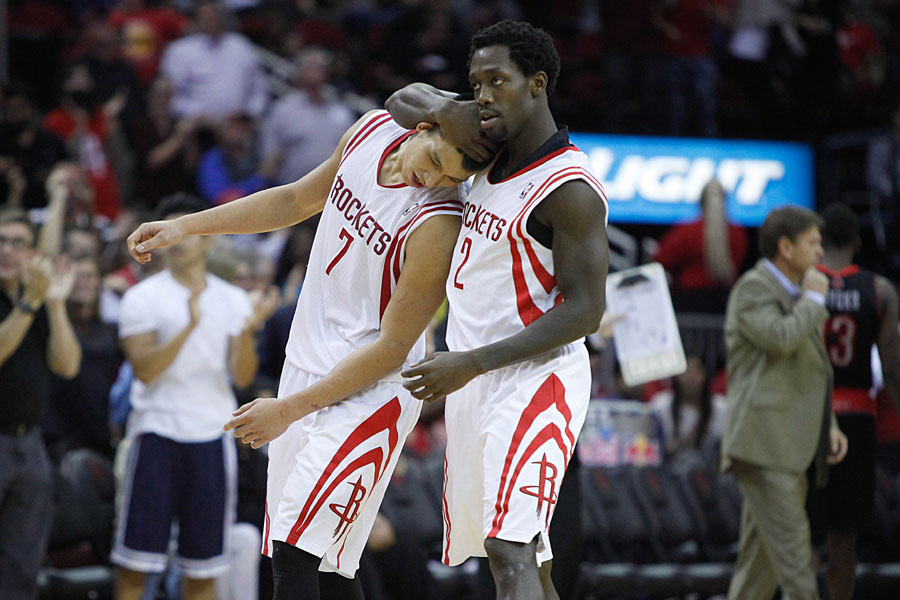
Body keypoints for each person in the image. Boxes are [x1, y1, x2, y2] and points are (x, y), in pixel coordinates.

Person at [125, 110, 489, 599]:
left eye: (454, 177)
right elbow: (295, 198)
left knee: (294, 553)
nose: (438, 179)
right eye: (437, 161)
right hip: (305, 369)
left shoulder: (440, 220)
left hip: (370, 392)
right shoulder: (370, 131)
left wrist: (289, 410)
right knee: (327, 569)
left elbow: (394, 348)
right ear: (424, 129)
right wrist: (188, 227)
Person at [385, 19, 609, 599]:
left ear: (536, 84)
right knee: (522, 559)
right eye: (475, 81)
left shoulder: (569, 186)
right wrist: (452, 106)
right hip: (477, 379)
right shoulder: (485, 150)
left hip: (536, 378)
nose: (484, 93)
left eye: (497, 80)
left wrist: (472, 363)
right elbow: (398, 102)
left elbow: (585, 311)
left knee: (510, 551)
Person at [111, 193, 272, 600]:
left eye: (188, 229)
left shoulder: (233, 300)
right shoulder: (141, 298)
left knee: (203, 570)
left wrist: (250, 330)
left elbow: (242, 376)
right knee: (135, 566)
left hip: (211, 438)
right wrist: (188, 325)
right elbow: (145, 370)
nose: (178, 239)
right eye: (169, 231)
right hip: (154, 434)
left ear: (208, 238)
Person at [720, 205, 848, 600]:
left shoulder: (796, 293)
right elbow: (780, 338)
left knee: (758, 574)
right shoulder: (753, 288)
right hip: (764, 447)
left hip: (786, 447)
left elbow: (807, 373)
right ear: (786, 247)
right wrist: (812, 301)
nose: (821, 253)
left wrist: (828, 424)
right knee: (797, 564)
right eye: (813, 243)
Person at [808, 203, 900, 600]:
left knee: (804, 528)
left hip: (810, 415)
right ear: (858, 244)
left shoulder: (804, 283)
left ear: (819, 241)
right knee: (845, 535)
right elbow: (892, 365)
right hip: (859, 417)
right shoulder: (879, 290)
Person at [0, 206, 80, 600]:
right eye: (0, 241)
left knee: (22, 561)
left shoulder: (38, 299)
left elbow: (67, 365)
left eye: (18, 242)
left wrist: (54, 304)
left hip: (29, 444)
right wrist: (30, 303)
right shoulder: (26, 301)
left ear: (33, 254)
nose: (7, 250)